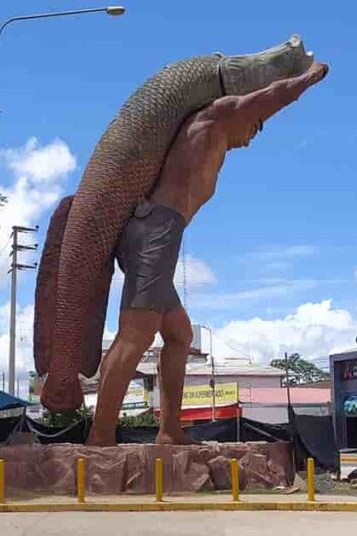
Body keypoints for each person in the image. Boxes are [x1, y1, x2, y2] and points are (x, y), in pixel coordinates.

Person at [85, 60, 330, 446]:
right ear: (239, 109)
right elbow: (269, 97)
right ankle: (99, 438)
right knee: (136, 333)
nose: (251, 136)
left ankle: (169, 431)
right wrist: (308, 78)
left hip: (159, 232)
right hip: (156, 231)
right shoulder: (214, 117)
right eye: (255, 126)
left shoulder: (213, 138)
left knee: (179, 334)